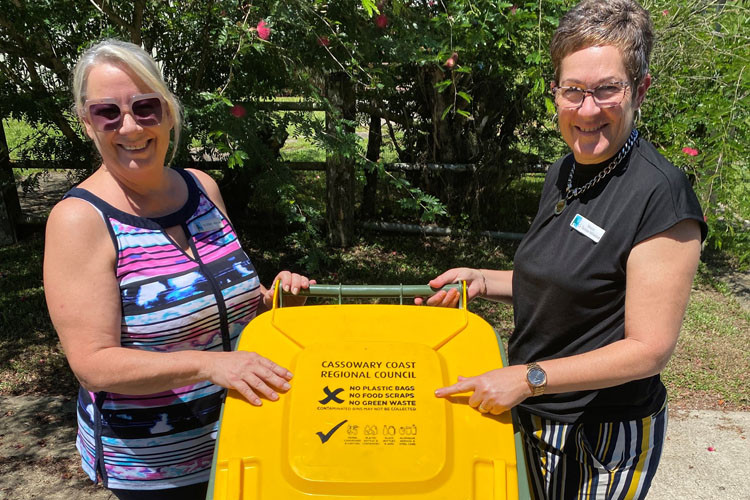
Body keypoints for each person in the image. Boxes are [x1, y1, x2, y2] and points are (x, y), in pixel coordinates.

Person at [418, 1, 707, 498]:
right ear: (555, 91)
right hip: (536, 411)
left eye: (607, 90)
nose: (587, 110)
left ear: (640, 89)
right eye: (573, 91)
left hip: (599, 432)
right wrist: (482, 280)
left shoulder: (661, 194)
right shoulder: (565, 170)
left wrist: (527, 378)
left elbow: (648, 349)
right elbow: (569, 281)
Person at [43, 39, 313, 500]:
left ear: (167, 112)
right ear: (88, 123)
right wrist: (211, 366)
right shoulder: (79, 219)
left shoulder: (202, 188)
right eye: (108, 112)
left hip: (242, 437)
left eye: (146, 107)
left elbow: (225, 301)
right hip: (156, 468)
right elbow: (93, 364)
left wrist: (274, 301)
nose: (130, 126)